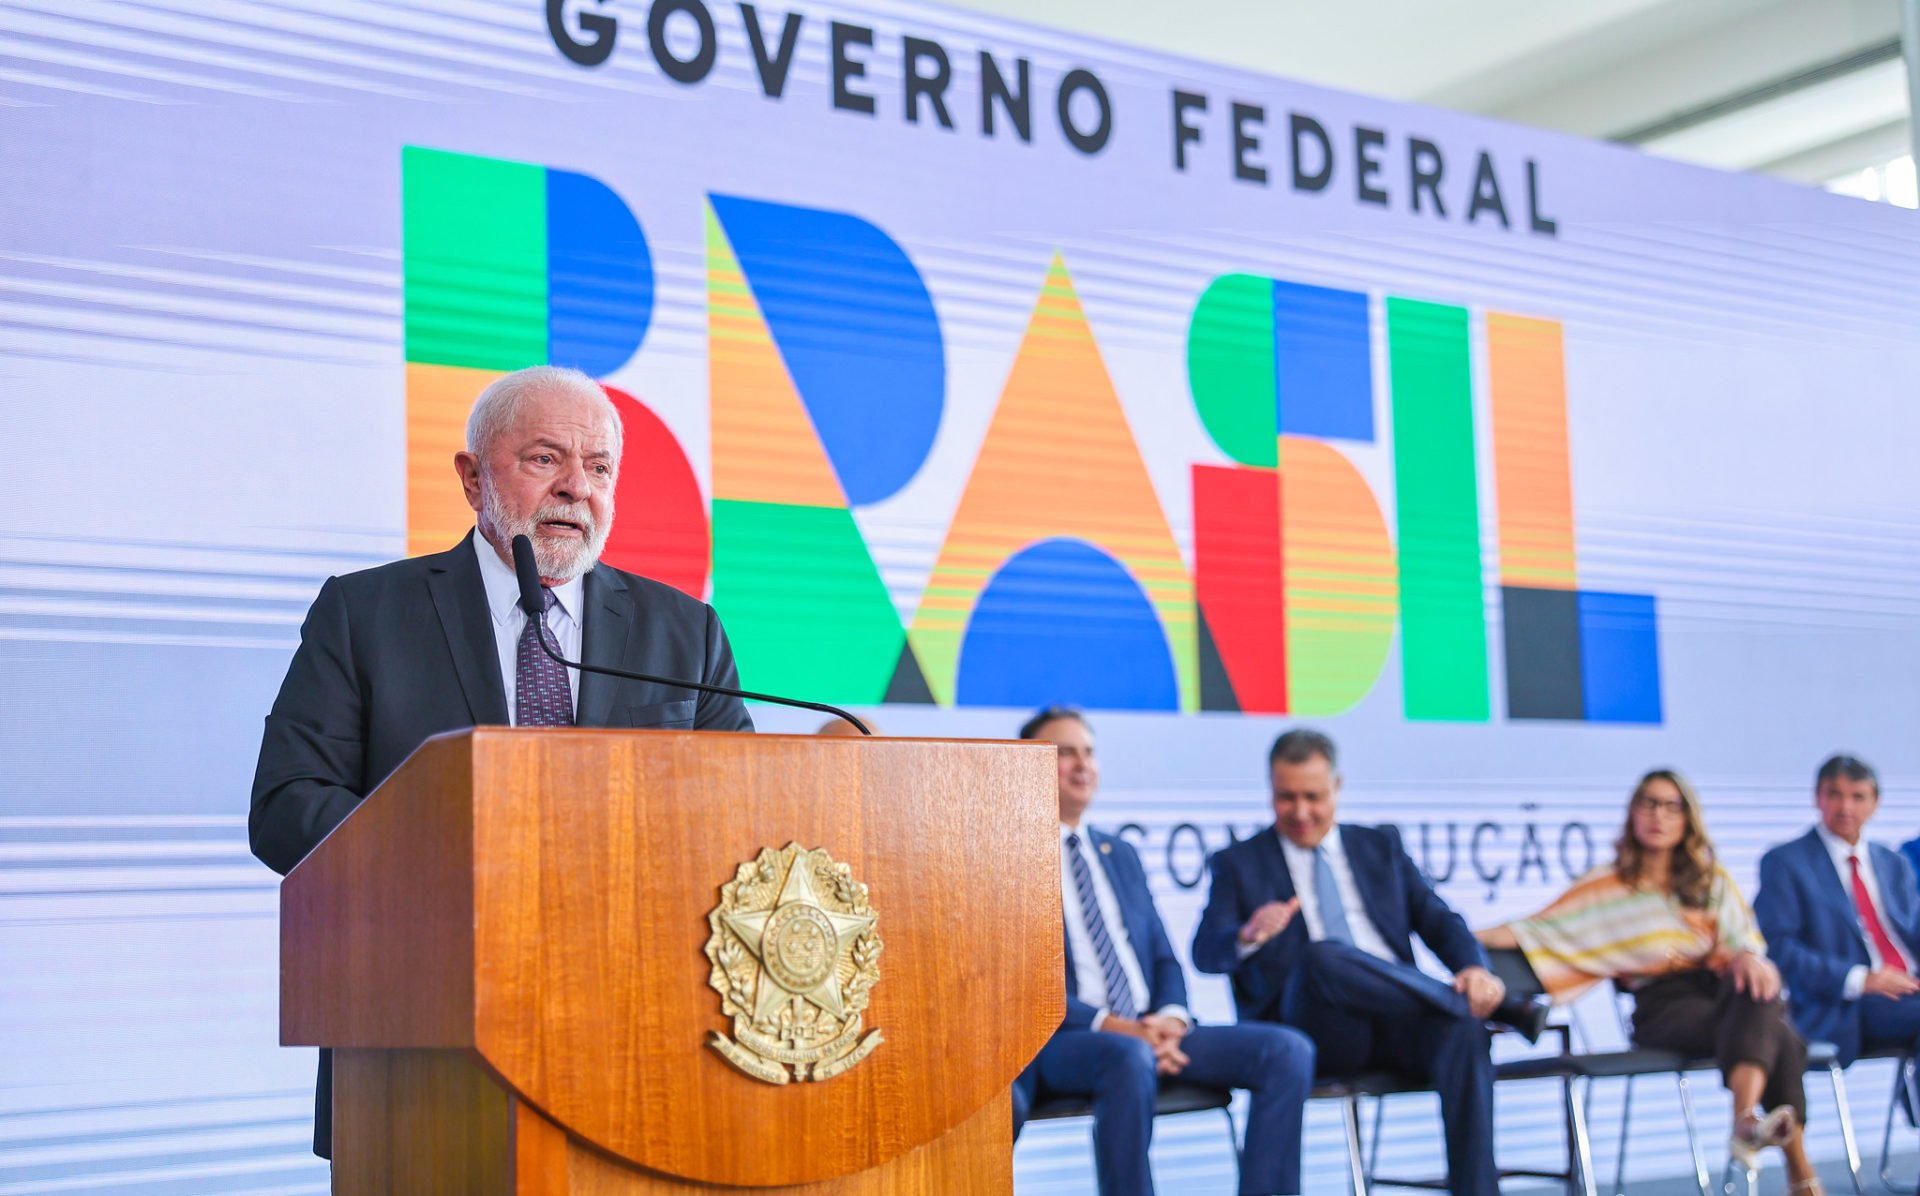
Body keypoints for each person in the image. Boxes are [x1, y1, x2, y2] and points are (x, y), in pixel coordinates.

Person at [249, 365, 753, 1157]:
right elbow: (287, 807)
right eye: (545, 459)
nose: (575, 490)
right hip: (424, 1043)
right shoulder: (367, 612)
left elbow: (747, 818)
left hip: (644, 1043)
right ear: (473, 476)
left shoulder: (683, 631)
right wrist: (474, 852)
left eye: (598, 468)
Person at [1191, 729, 1541, 1196]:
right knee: (1321, 957)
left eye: (1313, 797)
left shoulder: (1380, 846)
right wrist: (1246, 935)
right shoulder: (1238, 862)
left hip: (1399, 1019)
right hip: (1314, 1029)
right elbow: (1205, 954)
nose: (1300, 812)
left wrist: (1475, 970)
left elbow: (1439, 920)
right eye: (1285, 797)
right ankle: (1483, 1006)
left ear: (1338, 786)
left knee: (1463, 1031)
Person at [1011, 707, 1315, 1196]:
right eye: (1064, 753)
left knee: (1287, 1051)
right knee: (1127, 1056)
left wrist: (1170, 1019)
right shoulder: (1006, 855)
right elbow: (1021, 981)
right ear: (1027, 765)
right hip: (1065, 1039)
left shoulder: (1120, 854)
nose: (1081, 764)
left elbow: (1163, 959)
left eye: (1088, 752)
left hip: (1150, 1032)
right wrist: (1124, 1030)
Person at [1480, 770, 1816, 1190]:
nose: (1659, 815)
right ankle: (1793, 1165)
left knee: (1752, 982)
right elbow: (1537, 930)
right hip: (1664, 1008)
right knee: (1776, 1030)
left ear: (1687, 818)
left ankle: (1747, 1122)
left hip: (1725, 994)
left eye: (1671, 806)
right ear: (1633, 814)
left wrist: (1749, 958)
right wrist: (1458, 936)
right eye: (1649, 804)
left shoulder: (1710, 880)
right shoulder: (1608, 885)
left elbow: (1743, 941)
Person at [1755, 755, 1920, 1114]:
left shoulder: (1893, 863)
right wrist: (1863, 980)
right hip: (1845, 1004)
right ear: (1818, 798)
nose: (1846, 806)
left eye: (1858, 796)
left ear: (1875, 803)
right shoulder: (1786, 862)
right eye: (1835, 794)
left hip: (1910, 989)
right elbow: (1782, 949)